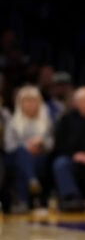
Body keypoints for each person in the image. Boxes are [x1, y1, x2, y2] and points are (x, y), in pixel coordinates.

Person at [4, 85, 55, 213]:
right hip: (17, 157)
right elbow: (8, 145)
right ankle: (32, 181)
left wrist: (41, 142)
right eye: (26, 101)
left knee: (30, 161)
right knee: (22, 155)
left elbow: (52, 143)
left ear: (39, 102)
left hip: (41, 156)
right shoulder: (13, 122)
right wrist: (26, 146)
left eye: (33, 101)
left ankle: (24, 199)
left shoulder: (47, 121)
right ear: (20, 103)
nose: (30, 104)